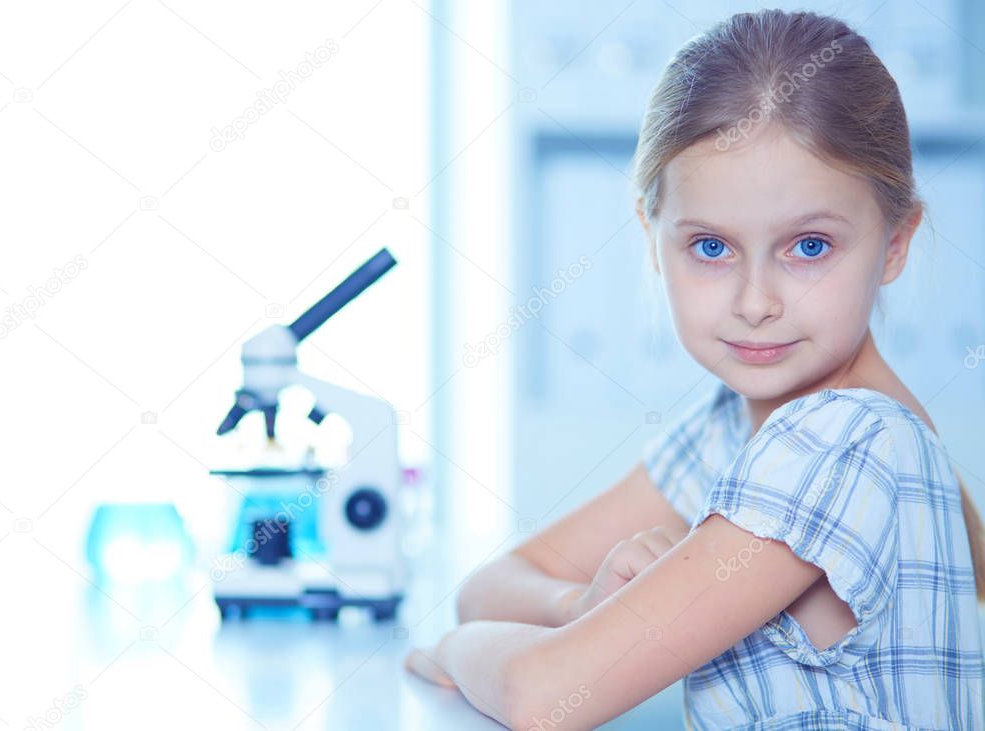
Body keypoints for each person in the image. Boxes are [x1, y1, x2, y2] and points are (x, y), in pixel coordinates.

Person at [404, 8, 985, 729]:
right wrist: (575, 606)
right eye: (711, 248)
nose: (755, 302)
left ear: (896, 242)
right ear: (653, 238)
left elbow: (541, 695)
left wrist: (452, 650)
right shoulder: (730, 422)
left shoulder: (845, 441)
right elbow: (492, 584)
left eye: (809, 247)